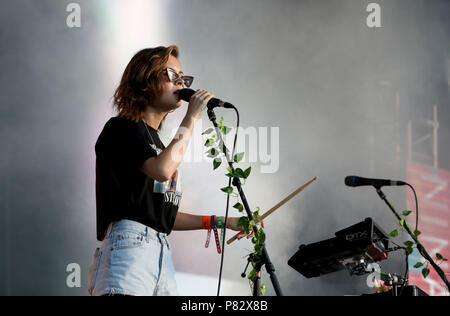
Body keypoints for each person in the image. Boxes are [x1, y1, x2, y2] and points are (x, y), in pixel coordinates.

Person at [88, 45, 249, 296]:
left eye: (183, 77)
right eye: (172, 75)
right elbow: (163, 170)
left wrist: (223, 222)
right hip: (129, 249)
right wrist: (192, 117)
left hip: (160, 251)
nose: (182, 82)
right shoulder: (121, 128)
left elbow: (164, 215)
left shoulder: (160, 145)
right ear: (145, 78)